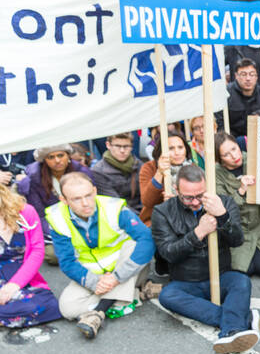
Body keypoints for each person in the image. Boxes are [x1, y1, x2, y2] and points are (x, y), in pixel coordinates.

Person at [152, 164, 260, 354]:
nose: (195, 202)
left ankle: (232, 328)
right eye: (188, 197)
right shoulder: (163, 212)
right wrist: (197, 233)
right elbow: (168, 252)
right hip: (186, 280)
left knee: (242, 282)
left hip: (221, 275)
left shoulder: (224, 203)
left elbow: (237, 241)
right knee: (167, 296)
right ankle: (239, 320)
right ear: (176, 190)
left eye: (200, 196)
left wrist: (223, 216)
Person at [46, 173, 154, 339]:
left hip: (127, 271)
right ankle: (135, 294)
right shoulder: (57, 218)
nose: (85, 203)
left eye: (89, 195)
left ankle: (99, 312)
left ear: (95, 191)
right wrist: (96, 282)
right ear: (64, 200)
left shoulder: (113, 207)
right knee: (67, 309)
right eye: (76, 199)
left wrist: (116, 278)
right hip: (93, 275)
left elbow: (146, 239)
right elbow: (67, 262)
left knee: (133, 244)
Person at [16, 144, 94, 263]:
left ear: (68, 156)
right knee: (53, 255)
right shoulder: (34, 177)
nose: (57, 160)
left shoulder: (82, 172)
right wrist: (60, 234)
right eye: (51, 157)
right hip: (51, 226)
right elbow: (39, 214)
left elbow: (91, 203)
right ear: (44, 160)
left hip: (82, 218)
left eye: (60, 155)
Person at [0, 184, 61, 328]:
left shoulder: (25, 212)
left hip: (24, 273)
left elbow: (37, 251)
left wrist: (14, 285)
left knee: (48, 305)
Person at [214, 132, 260, 277]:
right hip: (240, 229)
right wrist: (240, 191)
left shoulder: (254, 160)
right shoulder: (216, 174)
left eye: (234, 149)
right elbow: (223, 208)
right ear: (219, 159)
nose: (234, 156)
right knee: (243, 270)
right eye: (226, 154)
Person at [138, 132, 192, 226]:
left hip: (187, 219)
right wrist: (159, 172)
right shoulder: (149, 168)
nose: (177, 152)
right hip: (155, 221)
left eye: (180, 147)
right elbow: (147, 201)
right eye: (171, 148)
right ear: (161, 151)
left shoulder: (192, 168)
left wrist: (179, 201)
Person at [91, 133, 144, 213]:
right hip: (115, 213)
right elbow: (114, 202)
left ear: (132, 146)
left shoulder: (138, 164)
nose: (122, 150)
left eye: (126, 146)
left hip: (140, 210)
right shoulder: (98, 171)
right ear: (108, 145)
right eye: (118, 146)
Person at [226, 58, 260, 138]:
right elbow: (220, 123)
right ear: (236, 76)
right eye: (243, 74)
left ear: (256, 77)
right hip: (233, 139)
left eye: (252, 74)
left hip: (257, 137)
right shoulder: (227, 93)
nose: (248, 79)